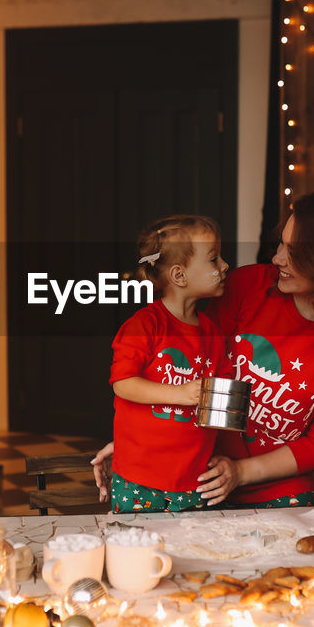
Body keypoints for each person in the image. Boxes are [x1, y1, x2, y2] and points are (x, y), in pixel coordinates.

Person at [95, 189, 314, 508]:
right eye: (281, 243)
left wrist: (240, 471)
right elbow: (185, 373)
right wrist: (143, 443)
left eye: (294, 252)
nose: (278, 258)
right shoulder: (247, 286)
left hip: (279, 491)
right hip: (196, 477)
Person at [106, 215, 229, 512]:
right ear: (179, 276)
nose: (225, 266)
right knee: (140, 554)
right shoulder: (144, 325)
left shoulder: (211, 331)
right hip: (139, 478)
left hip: (195, 477)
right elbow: (123, 383)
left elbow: (219, 396)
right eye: (214, 259)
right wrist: (180, 394)